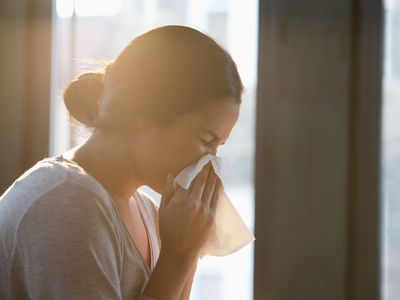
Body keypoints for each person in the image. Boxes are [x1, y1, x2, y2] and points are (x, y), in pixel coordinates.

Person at [0, 25, 243, 300]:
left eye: (217, 147)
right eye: (205, 140)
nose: (210, 162)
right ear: (145, 113)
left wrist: (188, 253)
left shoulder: (150, 213)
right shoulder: (68, 203)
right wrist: (177, 257)